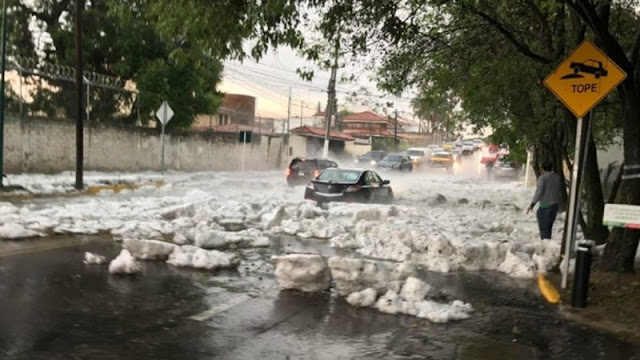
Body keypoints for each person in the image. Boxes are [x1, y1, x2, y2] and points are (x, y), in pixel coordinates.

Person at [527, 162, 562, 239]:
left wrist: (532, 204)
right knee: (548, 228)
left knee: (544, 229)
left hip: (545, 207)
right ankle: (547, 245)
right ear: (551, 168)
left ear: (542, 169)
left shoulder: (542, 178)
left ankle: (545, 246)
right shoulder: (557, 177)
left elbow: (539, 192)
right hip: (555, 206)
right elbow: (559, 191)